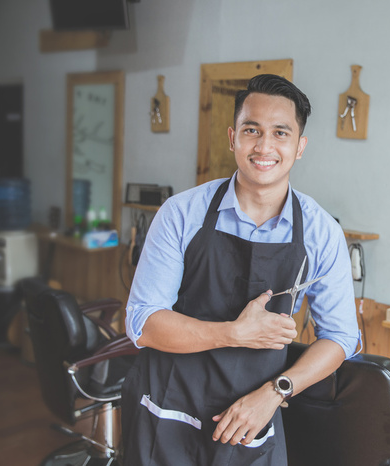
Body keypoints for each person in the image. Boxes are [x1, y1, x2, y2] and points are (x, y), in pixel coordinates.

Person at [121, 74, 360, 465]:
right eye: (252, 130)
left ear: (299, 147)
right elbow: (143, 323)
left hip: (252, 419)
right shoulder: (181, 214)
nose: (264, 146)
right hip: (166, 411)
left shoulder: (321, 234)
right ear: (233, 137)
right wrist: (235, 333)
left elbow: (340, 338)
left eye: (280, 133)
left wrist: (276, 391)